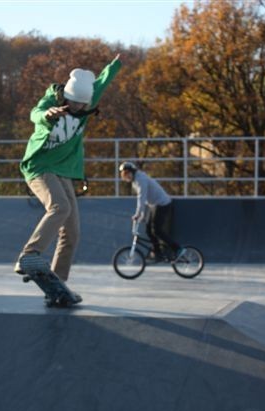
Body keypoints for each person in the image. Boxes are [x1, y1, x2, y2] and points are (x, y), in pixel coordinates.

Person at [15, 54, 122, 282]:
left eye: (83, 104)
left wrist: (115, 65)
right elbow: (35, 112)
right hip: (39, 166)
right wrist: (47, 115)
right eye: (74, 103)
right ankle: (28, 254)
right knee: (60, 207)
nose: (78, 108)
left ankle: (57, 283)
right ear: (67, 97)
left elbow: (102, 80)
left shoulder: (87, 103)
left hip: (63, 171)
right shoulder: (52, 100)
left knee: (72, 233)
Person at [119, 162, 185, 261]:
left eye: (127, 173)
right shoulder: (136, 180)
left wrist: (138, 213)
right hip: (154, 205)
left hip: (162, 204)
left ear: (132, 171)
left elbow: (141, 198)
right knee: (149, 230)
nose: (126, 176)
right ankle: (158, 253)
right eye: (124, 174)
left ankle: (177, 249)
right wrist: (141, 215)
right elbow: (145, 200)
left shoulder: (141, 179)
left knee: (157, 230)